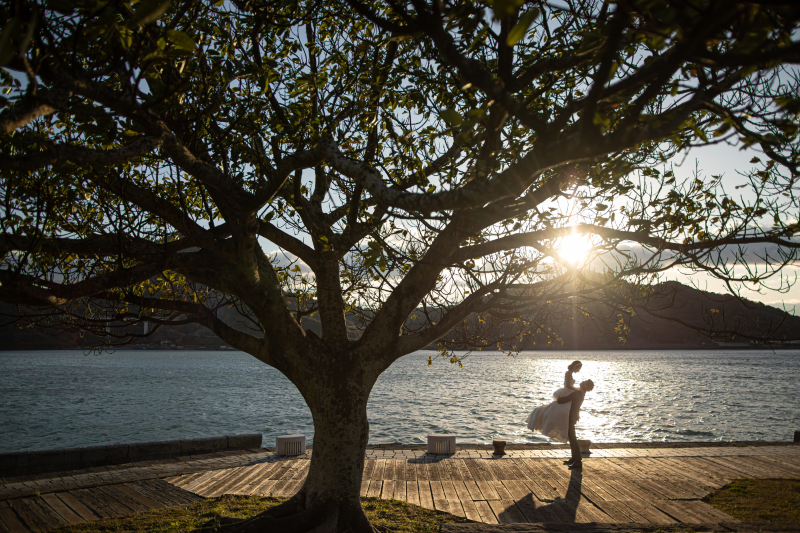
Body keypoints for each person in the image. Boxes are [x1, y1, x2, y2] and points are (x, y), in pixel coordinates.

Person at [557, 379, 595, 469]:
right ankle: (574, 458)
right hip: (572, 416)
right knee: (571, 438)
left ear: (586, 386)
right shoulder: (580, 392)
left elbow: (564, 400)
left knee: (573, 439)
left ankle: (578, 461)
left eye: (584, 382)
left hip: (571, 417)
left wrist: (558, 399)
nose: (582, 381)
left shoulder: (578, 393)